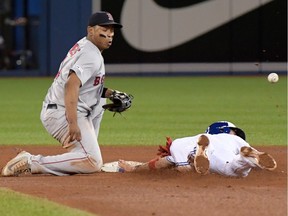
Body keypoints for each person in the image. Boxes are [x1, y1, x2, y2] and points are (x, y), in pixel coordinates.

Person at [1, 11, 128, 176]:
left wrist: (111, 94)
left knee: (100, 102)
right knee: (92, 162)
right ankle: (31, 162)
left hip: (59, 107)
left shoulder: (86, 46)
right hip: (62, 112)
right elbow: (71, 85)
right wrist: (72, 122)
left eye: (112, 29)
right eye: (104, 28)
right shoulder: (91, 55)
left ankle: (80, 154)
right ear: (91, 30)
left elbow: (87, 87)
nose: (109, 34)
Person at [118, 122, 277, 177]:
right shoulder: (237, 140)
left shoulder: (190, 141)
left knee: (227, 168)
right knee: (238, 168)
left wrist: (135, 169)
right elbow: (266, 166)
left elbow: (163, 163)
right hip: (235, 152)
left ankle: (201, 154)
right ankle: (247, 158)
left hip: (207, 152)